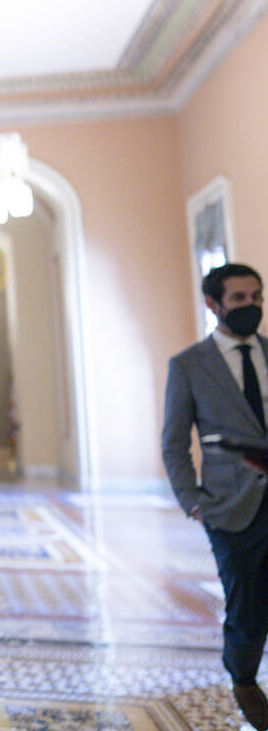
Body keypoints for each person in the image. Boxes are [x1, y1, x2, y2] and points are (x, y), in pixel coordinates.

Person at [162, 262, 268, 730]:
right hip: (231, 505)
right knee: (247, 601)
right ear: (214, 303)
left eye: (257, 298)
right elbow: (173, 441)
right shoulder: (188, 365)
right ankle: (244, 679)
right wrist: (194, 500)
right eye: (240, 299)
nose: (251, 307)